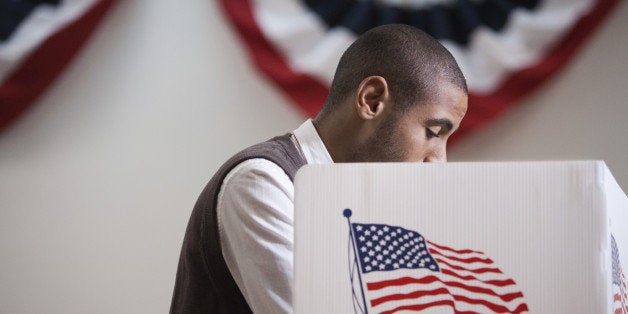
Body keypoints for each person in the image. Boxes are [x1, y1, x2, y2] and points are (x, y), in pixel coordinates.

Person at [170, 24, 468, 313]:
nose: (438, 162)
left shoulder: (357, 202)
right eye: (433, 132)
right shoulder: (261, 183)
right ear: (372, 100)